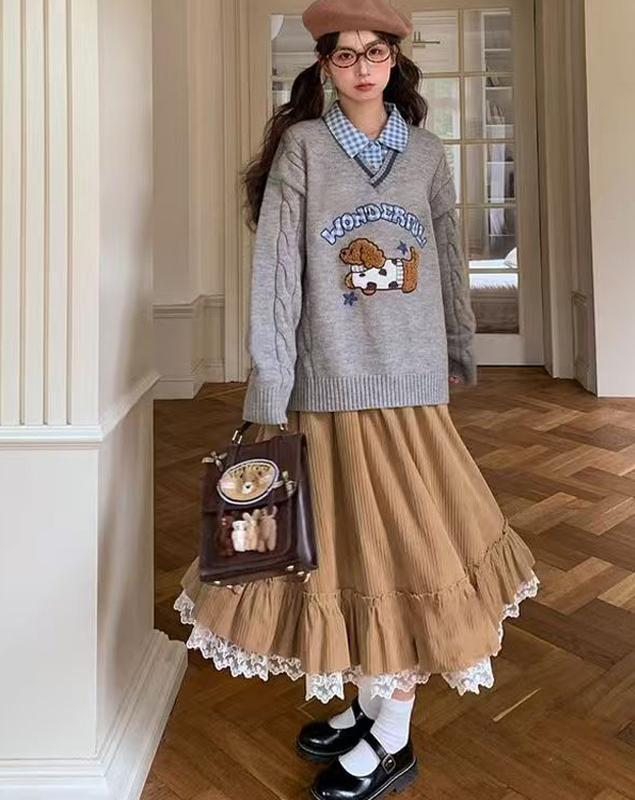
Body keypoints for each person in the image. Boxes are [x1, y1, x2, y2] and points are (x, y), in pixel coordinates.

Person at [174, 1, 540, 797]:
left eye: (376, 53)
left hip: (408, 385)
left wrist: (457, 344)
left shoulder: (427, 154)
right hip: (327, 380)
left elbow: (448, 254)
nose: (362, 68)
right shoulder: (306, 147)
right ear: (325, 67)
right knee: (345, 553)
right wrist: (271, 378)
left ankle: (393, 736)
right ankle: (372, 706)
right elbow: (278, 269)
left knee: (406, 550)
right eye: (345, 55)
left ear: (396, 61)